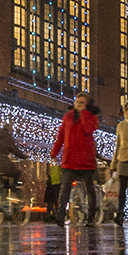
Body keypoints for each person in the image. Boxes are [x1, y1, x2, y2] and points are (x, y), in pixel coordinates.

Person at [51, 93, 102, 225]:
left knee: (89, 189)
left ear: (87, 105)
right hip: (70, 158)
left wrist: (84, 113)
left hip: (86, 159)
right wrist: (54, 152)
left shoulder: (91, 117)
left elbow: (89, 129)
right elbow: (61, 135)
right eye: (77, 102)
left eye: (82, 102)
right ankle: (60, 215)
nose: (78, 104)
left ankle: (91, 217)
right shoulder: (67, 117)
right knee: (65, 188)